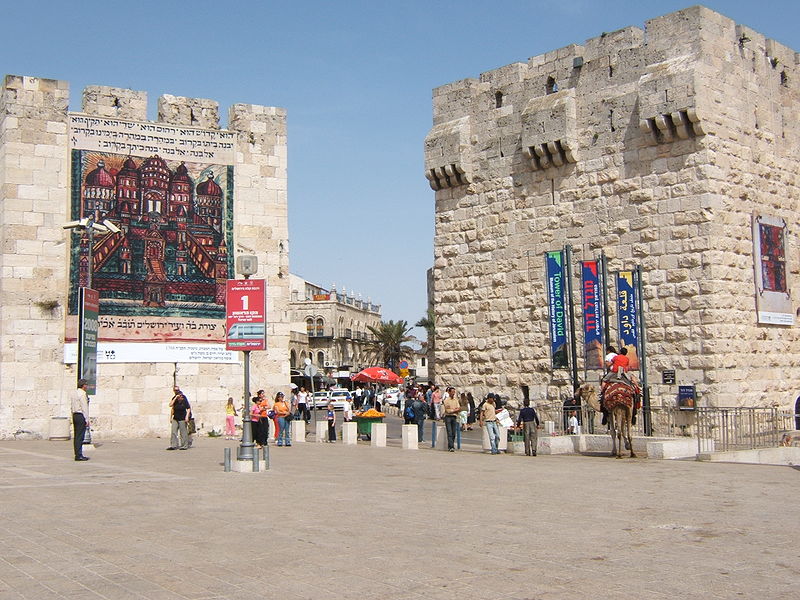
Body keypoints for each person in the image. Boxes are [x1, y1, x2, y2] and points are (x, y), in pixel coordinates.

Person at [70, 379, 90, 461]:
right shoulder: (82, 394)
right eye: (86, 385)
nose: (87, 386)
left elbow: (72, 406)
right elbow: (84, 407)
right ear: (83, 385)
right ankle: (79, 455)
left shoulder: (74, 393)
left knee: (76, 436)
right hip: (81, 415)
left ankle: (77, 453)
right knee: (80, 436)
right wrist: (87, 419)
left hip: (75, 415)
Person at [443, 387, 461, 452]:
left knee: (454, 433)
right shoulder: (446, 400)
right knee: (449, 432)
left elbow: (459, 408)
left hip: (454, 417)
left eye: (454, 392)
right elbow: (448, 411)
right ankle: (451, 447)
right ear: (449, 392)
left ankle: (451, 445)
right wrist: (454, 410)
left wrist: (454, 410)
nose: (453, 393)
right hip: (448, 417)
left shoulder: (456, 400)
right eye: (452, 392)